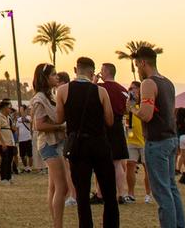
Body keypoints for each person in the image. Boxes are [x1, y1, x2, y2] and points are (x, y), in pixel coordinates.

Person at [59, 57, 119, 228]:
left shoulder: (63, 91)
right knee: (109, 192)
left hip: (78, 147)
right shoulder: (100, 92)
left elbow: (59, 117)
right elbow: (109, 120)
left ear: (75, 69)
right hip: (99, 144)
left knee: (82, 195)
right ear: (92, 72)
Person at [133, 45, 184, 228]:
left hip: (157, 142)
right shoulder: (168, 83)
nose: (137, 70)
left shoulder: (148, 83)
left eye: (137, 65)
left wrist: (131, 108)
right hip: (170, 138)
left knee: (162, 192)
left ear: (143, 63)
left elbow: (146, 114)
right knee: (171, 188)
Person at [30, 63, 69, 228]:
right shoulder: (40, 99)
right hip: (48, 143)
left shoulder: (50, 96)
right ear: (45, 78)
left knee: (53, 186)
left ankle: (56, 223)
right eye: (53, 75)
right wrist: (60, 127)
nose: (56, 77)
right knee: (62, 187)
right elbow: (39, 125)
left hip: (55, 142)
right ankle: (58, 224)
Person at [96, 63, 130, 203]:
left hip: (103, 125)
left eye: (102, 70)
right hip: (118, 126)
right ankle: (121, 193)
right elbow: (128, 109)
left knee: (100, 162)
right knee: (117, 163)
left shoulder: (100, 88)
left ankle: (100, 194)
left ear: (106, 71)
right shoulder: (123, 90)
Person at [0, 99, 18, 184]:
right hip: (2, 142)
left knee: (10, 159)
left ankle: (9, 177)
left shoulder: (8, 117)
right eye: (8, 108)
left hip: (10, 141)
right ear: (4, 108)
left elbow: (12, 128)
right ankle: (3, 178)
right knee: (5, 159)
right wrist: (2, 143)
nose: (10, 110)